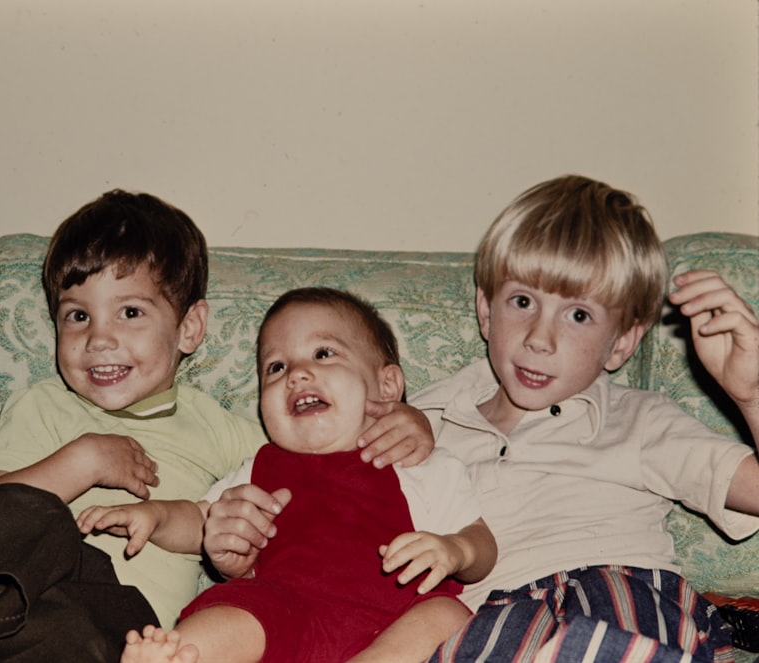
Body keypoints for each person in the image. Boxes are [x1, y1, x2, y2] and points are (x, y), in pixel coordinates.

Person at [0, 191, 434, 663]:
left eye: (131, 313)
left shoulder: (226, 432)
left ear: (190, 327)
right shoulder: (44, 408)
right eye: (77, 315)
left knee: (87, 629)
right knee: (41, 515)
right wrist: (81, 461)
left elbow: (310, 470)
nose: (99, 338)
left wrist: (406, 421)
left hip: (104, 632)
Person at [203, 176, 759, 662]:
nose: (540, 339)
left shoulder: (643, 421)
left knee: (615, 633)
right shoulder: (415, 421)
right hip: (488, 618)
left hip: (614, 588)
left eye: (579, 315)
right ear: (485, 310)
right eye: (522, 303)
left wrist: (751, 394)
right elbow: (322, 536)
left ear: (622, 342)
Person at [78, 287, 497, 663]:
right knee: (233, 614)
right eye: (275, 368)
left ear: (387, 385)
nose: (296, 373)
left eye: (323, 354)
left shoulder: (418, 462)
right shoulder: (262, 466)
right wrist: (155, 516)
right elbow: (203, 518)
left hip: (393, 617)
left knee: (447, 615)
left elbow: (481, 542)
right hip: (284, 609)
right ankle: (178, 657)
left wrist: (456, 550)